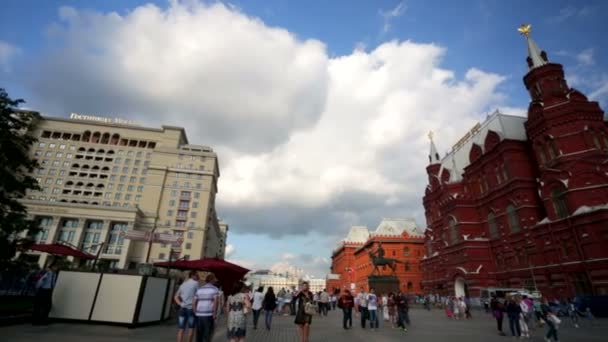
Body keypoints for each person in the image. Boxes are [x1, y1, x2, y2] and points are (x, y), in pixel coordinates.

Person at [174, 271, 200, 342]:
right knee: (191, 329)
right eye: (197, 275)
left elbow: (176, 296)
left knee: (181, 329)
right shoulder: (196, 283)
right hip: (191, 308)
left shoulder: (183, 284)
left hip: (182, 308)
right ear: (192, 275)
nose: (198, 277)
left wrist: (180, 304)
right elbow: (198, 296)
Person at [193, 274, 220, 342]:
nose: (215, 281)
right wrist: (214, 314)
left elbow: (194, 302)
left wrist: (195, 312)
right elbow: (215, 302)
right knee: (207, 334)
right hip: (208, 315)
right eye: (214, 280)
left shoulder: (200, 289)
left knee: (199, 335)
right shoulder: (215, 289)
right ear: (211, 280)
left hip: (199, 315)